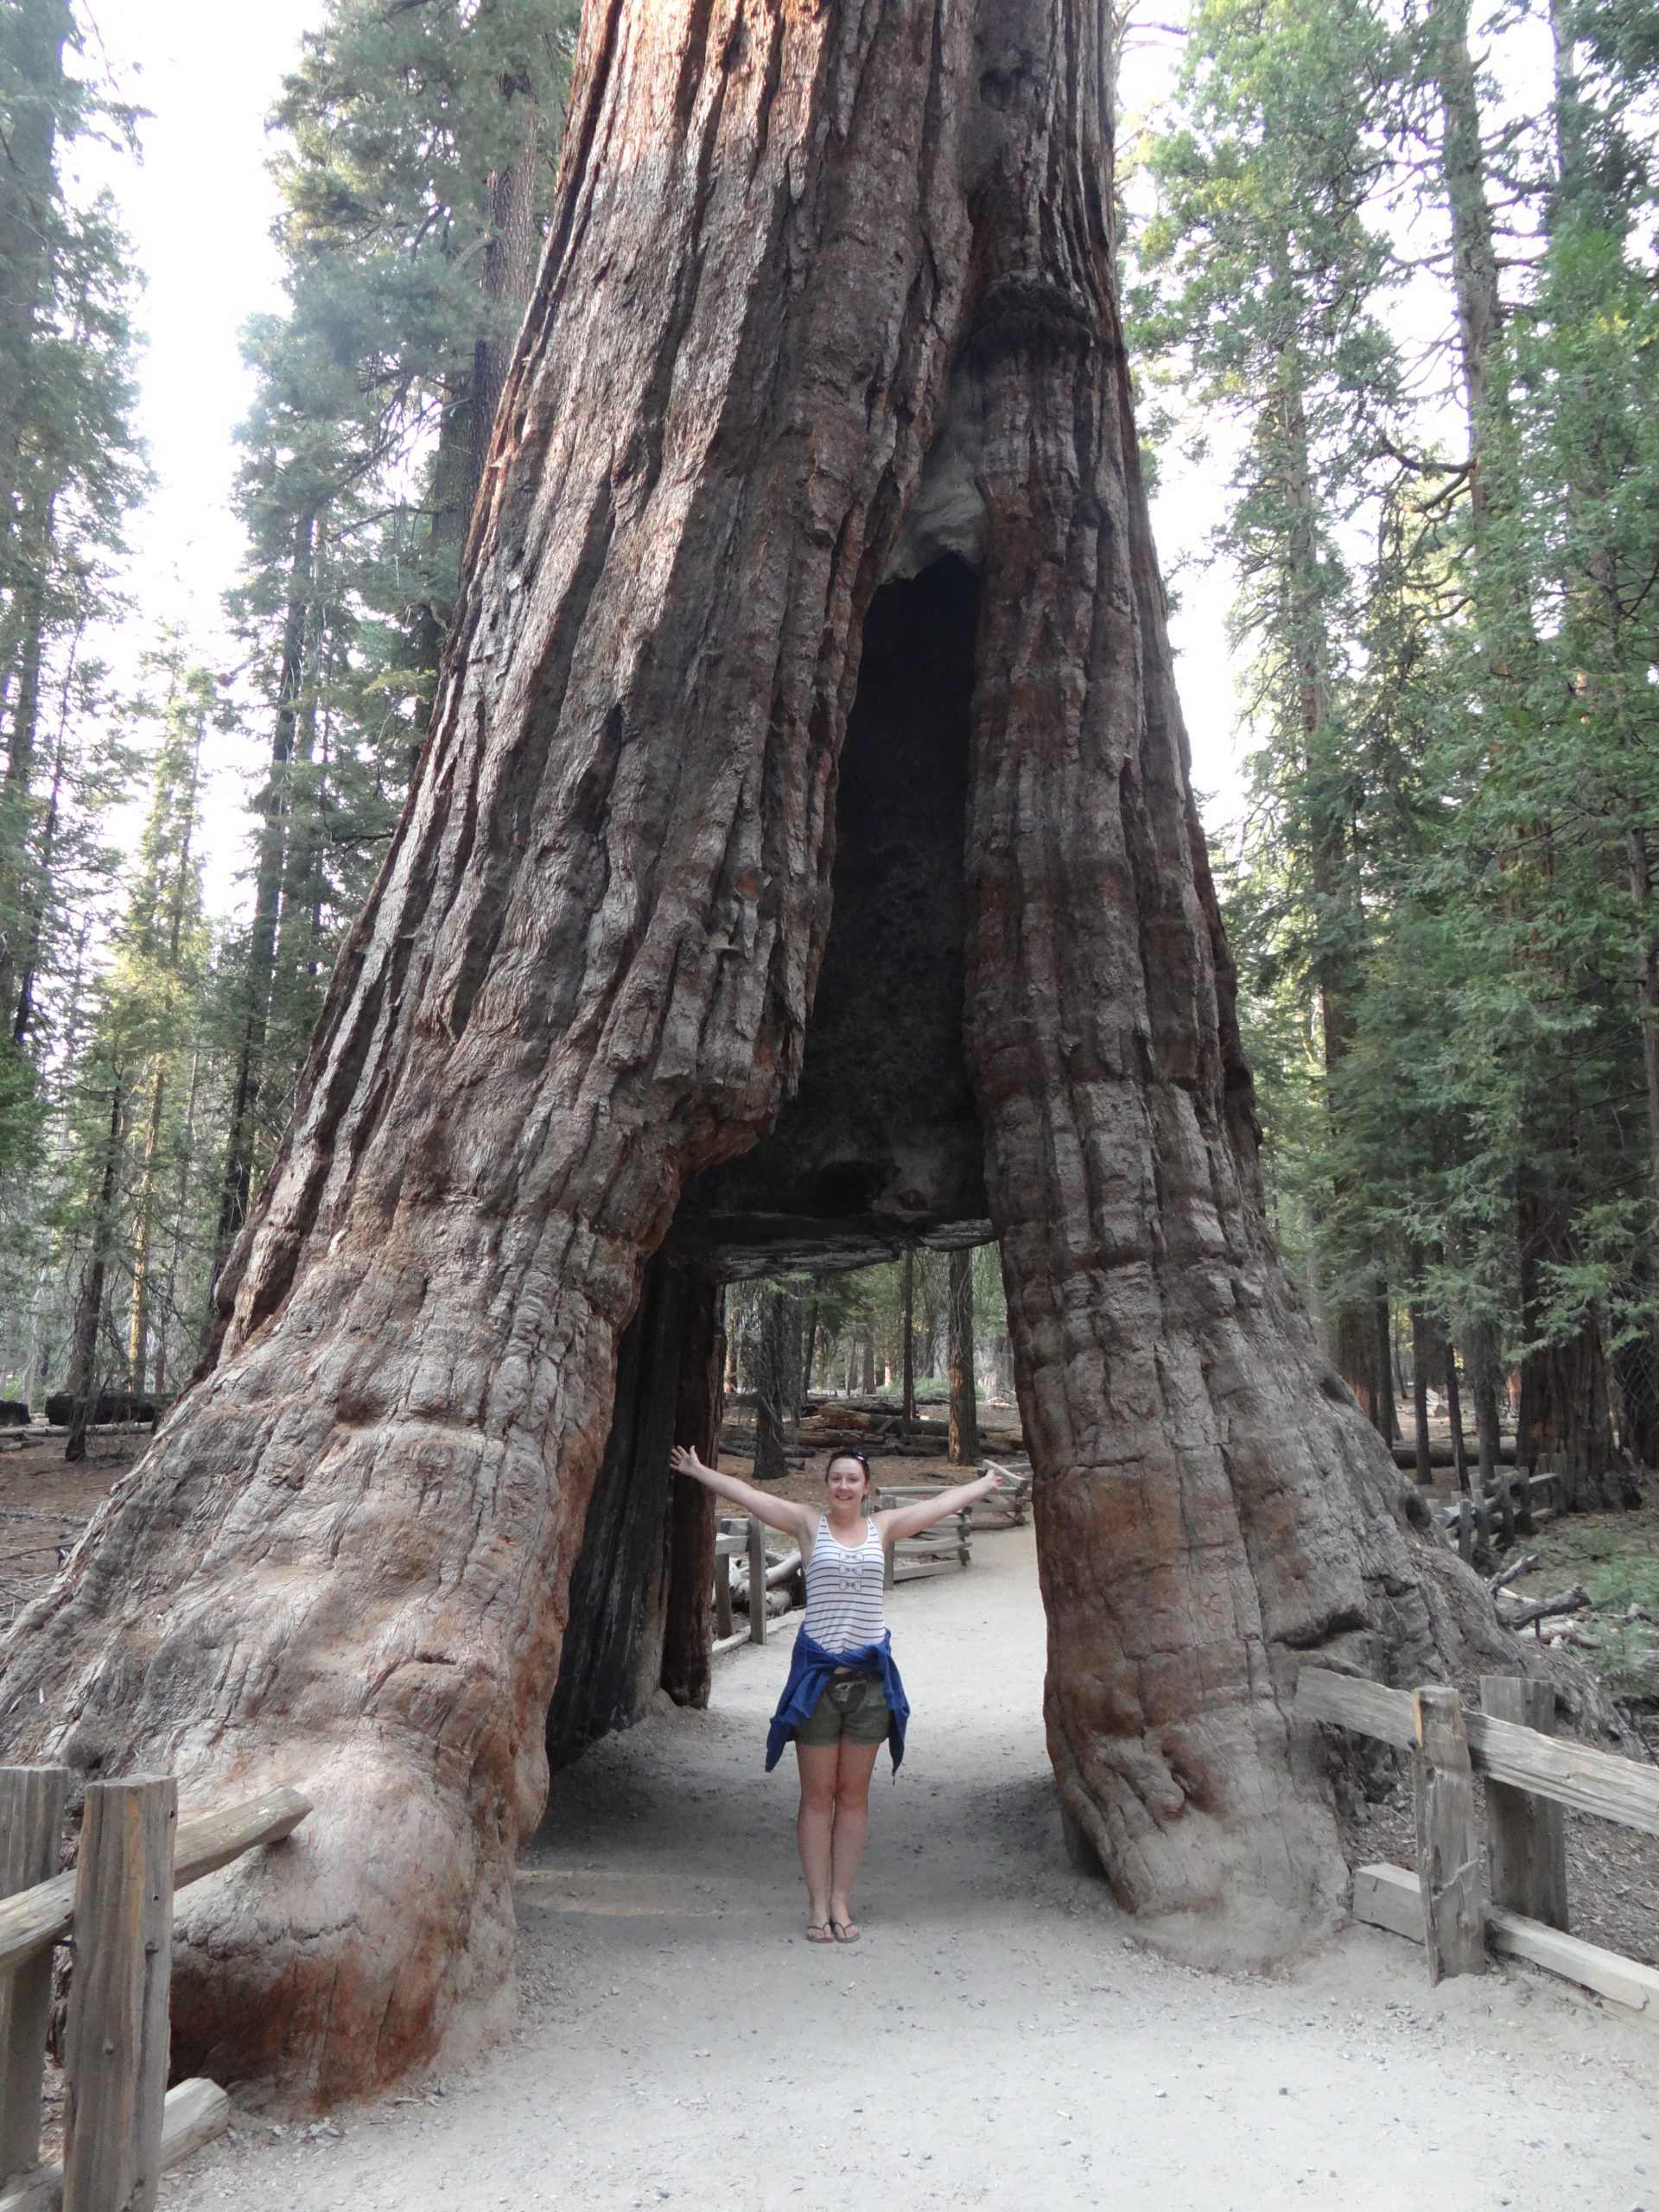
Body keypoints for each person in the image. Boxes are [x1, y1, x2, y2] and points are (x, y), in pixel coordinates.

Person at [667, 1439, 1007, 1944]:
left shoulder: (882, 1528)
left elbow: (936, 1506)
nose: (843, 1486)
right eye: (836, 1478)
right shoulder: (809, 1524)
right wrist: (699, 1472)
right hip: (818, 1683)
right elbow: (750, 1495)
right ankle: (817, 1904)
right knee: (816, 1797)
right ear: (827, 1486)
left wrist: (982, 1483)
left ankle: (842, 1899)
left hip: (869, 1683)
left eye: (852, 1479)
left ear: (867, 1488)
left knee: (853, 1798)